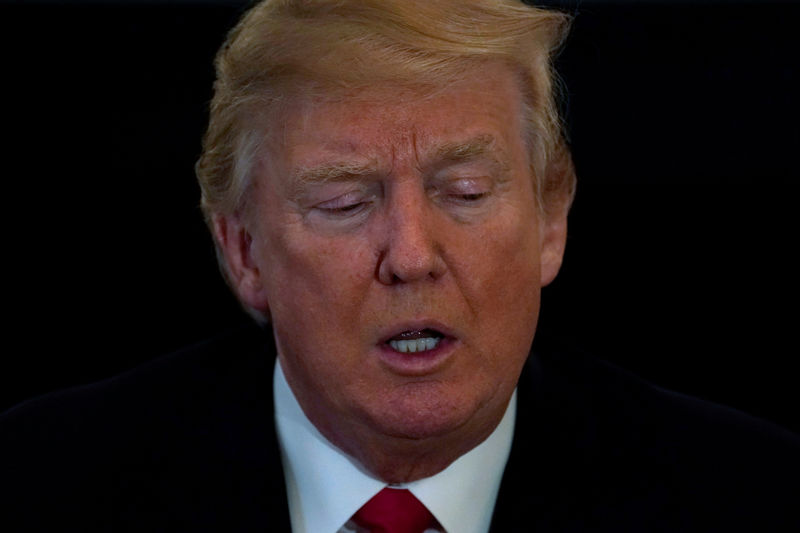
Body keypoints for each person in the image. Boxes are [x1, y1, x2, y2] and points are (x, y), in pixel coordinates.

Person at [2, 1, 798, 532]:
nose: (411, 256)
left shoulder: (753, 494)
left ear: (551, 220)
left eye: (466, 191)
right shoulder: (39, 482)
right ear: (243, 251)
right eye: (346, 202)